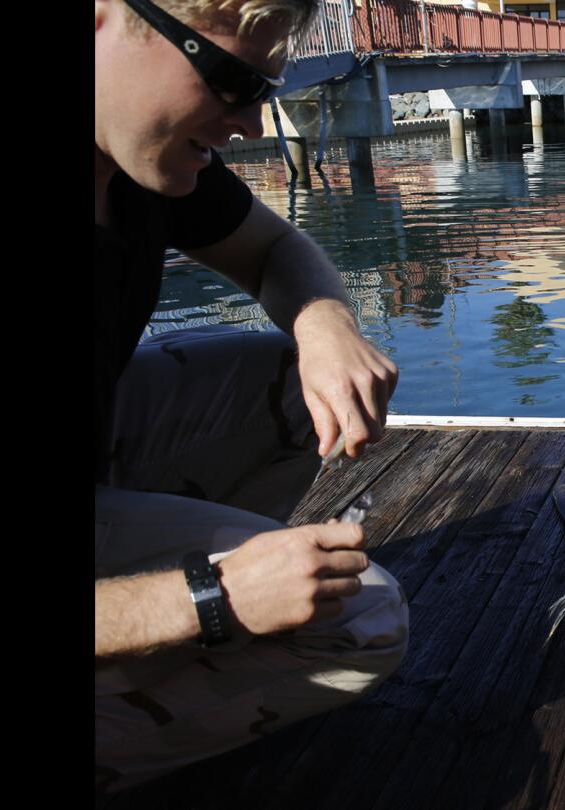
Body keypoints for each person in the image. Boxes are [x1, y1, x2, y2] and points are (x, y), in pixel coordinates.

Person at [94, 0, 409, 793]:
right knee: (362, 621)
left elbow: (275, 247)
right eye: (233, 80)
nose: (252, 124)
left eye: (264, 89)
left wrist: (325, 322)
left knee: (292, 383)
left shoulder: (136, 156)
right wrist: (211, 598)